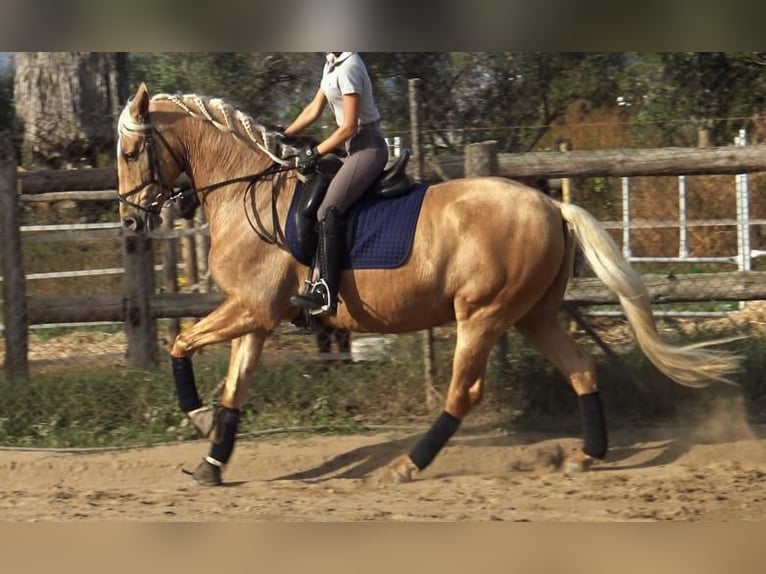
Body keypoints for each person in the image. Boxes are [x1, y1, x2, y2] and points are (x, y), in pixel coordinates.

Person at [285, 52, 389, 315]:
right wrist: (283, 136)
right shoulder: (331, 64)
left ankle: (326, 292)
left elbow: (349, 127)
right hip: (349, 149)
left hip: (368, 147)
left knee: (327, 209)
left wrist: (316, 152)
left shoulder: (350, 66)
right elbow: (313, 109)